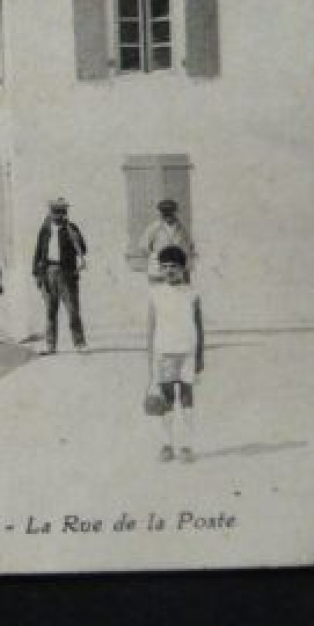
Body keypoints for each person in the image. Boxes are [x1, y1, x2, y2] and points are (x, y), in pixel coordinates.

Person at [146, 245, 205, 463]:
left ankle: (187, 445)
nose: (169, 271)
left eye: (174, 266)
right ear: (159, 270)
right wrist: (150, 360)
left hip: (187, 352)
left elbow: (199, 327)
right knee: (166, 399)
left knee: (187, 397)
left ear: (183, 268)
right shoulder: (155, 293)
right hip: (164, 352)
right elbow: (150, 329)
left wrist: (200, 357)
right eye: (164, 267)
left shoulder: (192, 293)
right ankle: (167, 444)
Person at [31, 197, 88, 354]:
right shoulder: (45, 229)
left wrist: (74, 236)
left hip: (67, 273)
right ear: (50, 212)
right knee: (50, 311)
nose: (59, 215)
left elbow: (83, 249)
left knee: (73, 310)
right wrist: (36, 273)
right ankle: (51, 346)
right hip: (48, 272)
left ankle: (79, 343)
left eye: (62, 211)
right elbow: (38, 252)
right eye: (56, 211)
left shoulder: (71, 228)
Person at [142, 198, 197, 282]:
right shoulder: (154, 227)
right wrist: (155, 256)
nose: (168, 216)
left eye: (170, 212)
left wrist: (183, 259)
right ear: (161, 213)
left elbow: (189, 245)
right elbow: (144, 245)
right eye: (165, 213)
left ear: (175, 212)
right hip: (159, 267)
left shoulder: (182, 228)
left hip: (177, 267)